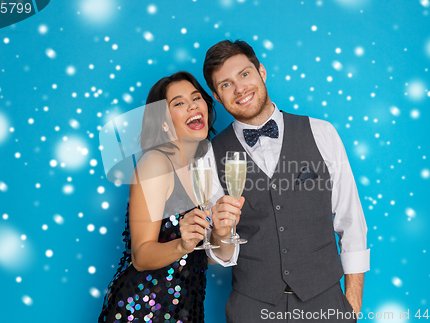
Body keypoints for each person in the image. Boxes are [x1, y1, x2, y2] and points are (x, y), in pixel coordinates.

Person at [203, 40, 370, 322]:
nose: (240, 88)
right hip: (251, 307)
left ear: (262, 72)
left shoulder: (322, 132)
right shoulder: (210, 154)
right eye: (226, 84)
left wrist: (352, 306)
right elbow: (219, 255)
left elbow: (351, 221)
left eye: (245, 74)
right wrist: (219, 233)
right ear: (217, 97)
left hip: (325, 301)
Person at [98, 71, 230, 323]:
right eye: (179, 103)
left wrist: (221, 233)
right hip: (145, 309)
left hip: (186, 309)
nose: (192, 105)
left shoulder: (198, 168)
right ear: (164, 123)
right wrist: (182, 244)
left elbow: (202, 257)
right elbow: (140, 255)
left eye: (196, 97)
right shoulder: (155, 163)